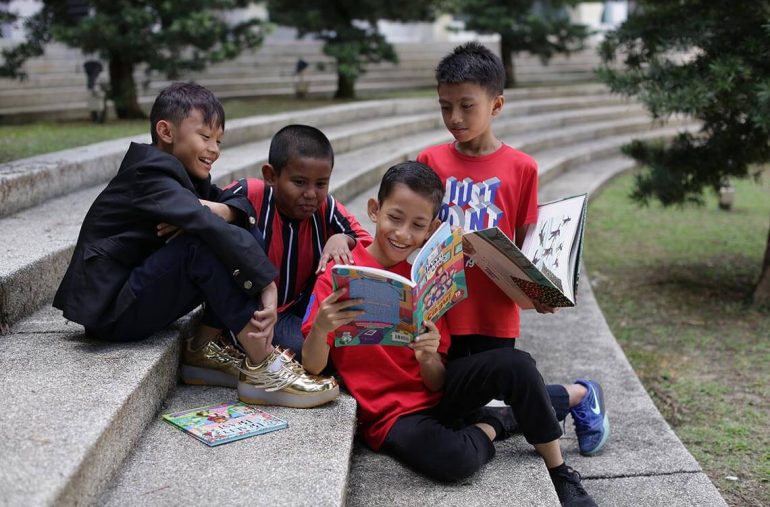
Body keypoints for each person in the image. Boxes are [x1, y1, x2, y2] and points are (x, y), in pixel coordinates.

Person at [301, 162, 597, 507]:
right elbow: (313, 367)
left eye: (417, 225)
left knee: (517, 365)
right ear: (374, 210)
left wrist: (427, 355)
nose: (402, 233)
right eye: (394, 218)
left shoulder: (423, 278)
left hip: (438, 396)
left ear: (429, 231)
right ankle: (497, 422)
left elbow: (437, 382)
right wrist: (322, 327)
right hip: (391, 414)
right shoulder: (339, 275)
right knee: (454, 460)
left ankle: (560, 473)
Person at [53, 82, 338, 409]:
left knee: (231, 227)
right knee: (202, 243)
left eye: (218, 140)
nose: (214, 149)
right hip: (113, 311)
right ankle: (262, 363)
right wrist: (267, 284)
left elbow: (240, 206)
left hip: (139, 292)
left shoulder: (183, 176)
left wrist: (226, 210)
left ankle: (203, 347)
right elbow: (204, 225)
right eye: (205, 137)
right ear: (166, 131)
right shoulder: (148, 173)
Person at [416, 42, 609, 457]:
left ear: (496, 104)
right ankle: (575, 395)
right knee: (452, 407)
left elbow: (527, 244)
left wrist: (539, 290)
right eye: (445, 106)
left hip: (493, 311)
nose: (455, 118)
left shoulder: (522, 167)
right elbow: (419, 225)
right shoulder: (430, 159)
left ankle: (578, 395)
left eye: (467, 106)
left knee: (483, 403)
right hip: (442, 307)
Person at [187, 124, 371, 376]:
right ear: (271, 175)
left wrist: (342, 238)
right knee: (320, 354)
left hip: (296, 310)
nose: (311, 194)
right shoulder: (250, 193)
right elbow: (208, 227)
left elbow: (367, 243)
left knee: (345, 348)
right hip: (251, 314)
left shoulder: (325, 207)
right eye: (299, 182)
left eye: (321, 183)